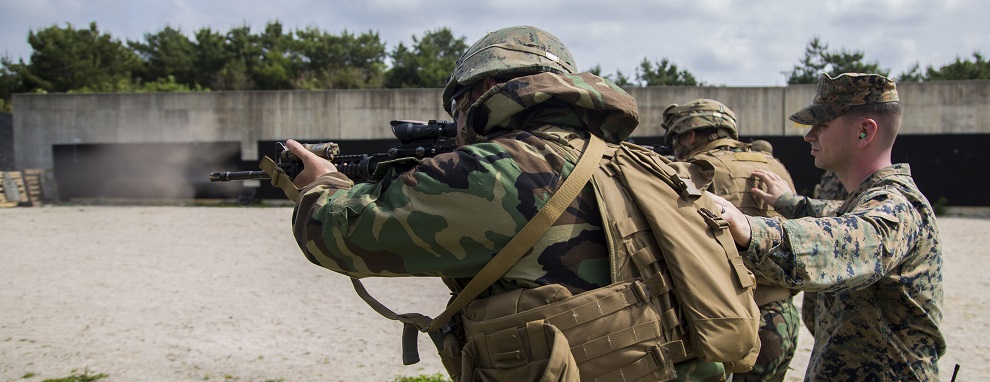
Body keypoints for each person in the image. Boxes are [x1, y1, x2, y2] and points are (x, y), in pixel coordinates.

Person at [283, 25, 737, 381]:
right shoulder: (647, 165)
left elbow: (336, 234)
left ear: (488, 89)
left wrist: (321, 184)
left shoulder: (496, 168)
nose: (457, 120)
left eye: (458, 104)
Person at [712, 73, 946, 381]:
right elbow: (836, 214)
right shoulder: (864, 201)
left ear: (864, 132)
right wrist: (789, 203)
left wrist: (751, 230)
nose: (809, 136)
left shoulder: (898, 207)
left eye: (822, 125)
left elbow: (846, 241)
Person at [661, 99, 799, 382]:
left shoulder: (696, 169)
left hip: (738, 323)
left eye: (676, 138)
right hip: (785, 317)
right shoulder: (776, 166)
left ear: (689, 135)